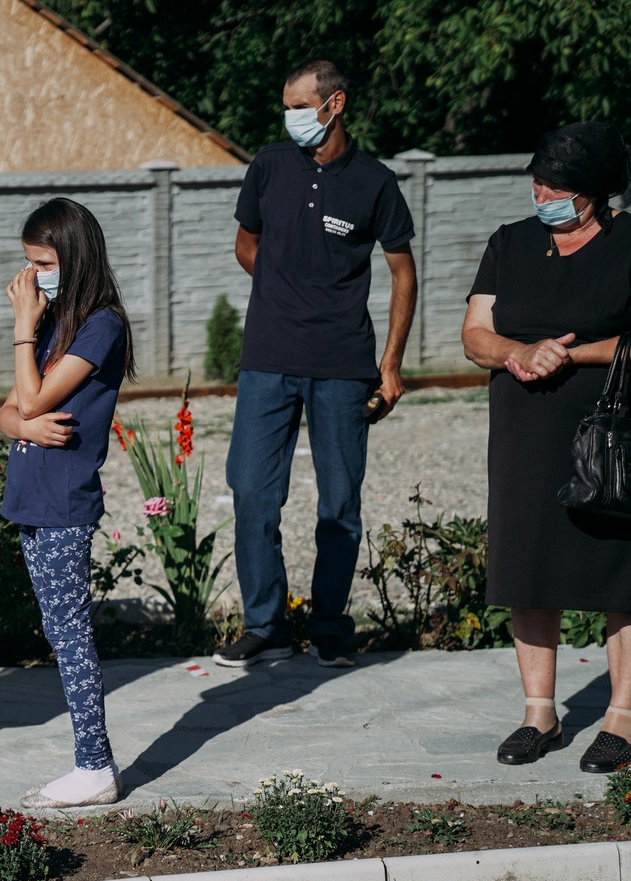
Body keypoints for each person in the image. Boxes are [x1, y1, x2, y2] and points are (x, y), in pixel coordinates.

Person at [216, 58, 418, 669]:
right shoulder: (270, 165)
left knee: (339, 504)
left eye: (301, 106)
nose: (291, 117)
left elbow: (402, 272)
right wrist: (284, 286)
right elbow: (245, 243)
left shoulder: (376, 182)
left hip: (341, 364)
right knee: (251, 490)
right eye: (287, 106)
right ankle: (267, 626)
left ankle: (330, 624)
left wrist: (391, 364)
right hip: (268, 357)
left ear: (335, 105)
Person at [460, 121, 631, 772]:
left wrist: (570, 353)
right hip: (522, 430)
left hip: (612, 430)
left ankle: (620, 716)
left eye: (556, 185)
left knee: (620, 569)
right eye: (536, 182)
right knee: (527, 566)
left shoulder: (626, 244)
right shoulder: (508, 243)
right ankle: (539, 713)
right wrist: (513, 352)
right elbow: (475, 332)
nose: (542, 194)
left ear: (592, 193)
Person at [0, 197, 135, 809]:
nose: (32, 277)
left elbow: (30, 399)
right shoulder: (56, 325)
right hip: (32, 498)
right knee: (59, 630)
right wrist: (25, 427)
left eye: (43, 263)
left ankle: (94, 765)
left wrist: (23, 326)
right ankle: (91, 760)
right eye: (28, 264)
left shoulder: (101, 325)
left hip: (64, 503)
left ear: (74, 260)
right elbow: (8, 413)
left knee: (70, 633)